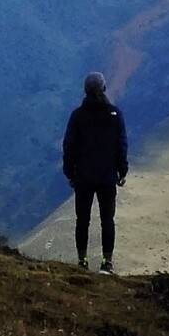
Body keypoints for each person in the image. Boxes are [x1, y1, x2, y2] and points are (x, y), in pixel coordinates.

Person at [62, 72, 128, 273]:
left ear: (85, 90)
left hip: (83, 177)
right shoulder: (114, 114)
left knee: (82, 220)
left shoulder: (78, 116)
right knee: (107, 219)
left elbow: (69, 146)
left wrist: (70, 173)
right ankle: (107, 263)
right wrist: (122, 170)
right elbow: (121, 145)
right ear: (104, 89)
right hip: (107, 177)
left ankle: (82, 261)